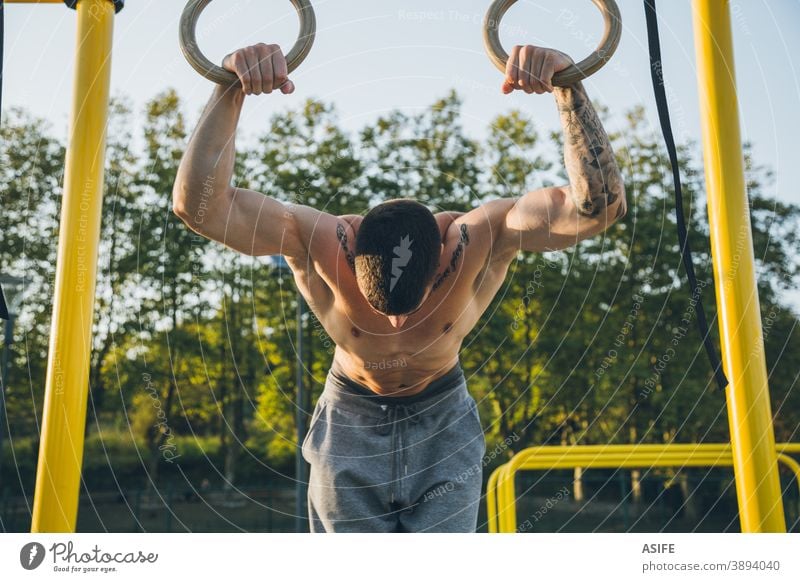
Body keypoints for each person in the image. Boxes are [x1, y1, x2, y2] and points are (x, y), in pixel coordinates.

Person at [173, 43, 626, 532]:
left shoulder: (484, 237)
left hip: (442, 419)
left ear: (437, 266)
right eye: (381, 308)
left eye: (413, 307)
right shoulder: (320, 242)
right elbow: (200, 209)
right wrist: (229, 89)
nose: (395, 324)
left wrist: (567, 86)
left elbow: (597, 209)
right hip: (350, 416)